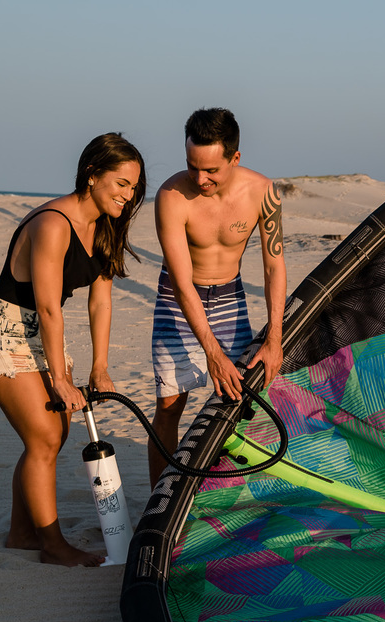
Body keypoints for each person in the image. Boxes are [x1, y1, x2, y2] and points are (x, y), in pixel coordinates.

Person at [0, 133, 146, 566]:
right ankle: (51, 545)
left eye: (135, 187)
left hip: (41, 336)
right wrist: (62, 379)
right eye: (121, 183)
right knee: (45, 437)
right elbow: (48, 307)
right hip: (3, 331)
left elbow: (100, 300)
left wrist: (99, 367)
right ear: (91, 174)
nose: (129, 195)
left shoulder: (105, 224)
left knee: (51, 437)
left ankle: (20, 533)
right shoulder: (51, 224)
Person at [149, 107, 287, 487]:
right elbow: (181, 284)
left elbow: (274, 266)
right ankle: (157, 501)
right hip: (178, 300)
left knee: (239, 401)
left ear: (235, 157)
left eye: (211, 169)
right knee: (170, 405)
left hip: (230, 298)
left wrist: (274, 338)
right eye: (192, 166)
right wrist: (212, 353)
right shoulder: (172, 196)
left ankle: (223, 491)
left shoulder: (263, 192)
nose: (200, 177)